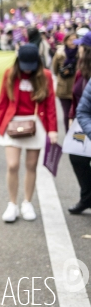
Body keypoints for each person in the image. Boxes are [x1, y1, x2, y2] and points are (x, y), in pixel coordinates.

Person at [0, 44, 58, 223]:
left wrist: (52, 129)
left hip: (36, 123)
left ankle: (27, 202)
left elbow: (50, 104)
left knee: (31, 165)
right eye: (24, 64)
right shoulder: (10, 74)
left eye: (30, 64)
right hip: (13, 122)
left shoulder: (45, 76)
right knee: (12, 165)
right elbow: (3, 101)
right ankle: (12, 204)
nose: (27, 68)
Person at [68, 32, 91, 214]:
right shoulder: (80, 71)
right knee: (76, 157)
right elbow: (76, 100)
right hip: (82, 123)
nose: (78, 48)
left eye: (81, 46)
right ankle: (86, 197)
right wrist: (71, 118)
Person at [52, 32, 78, 131]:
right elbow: (55, 69)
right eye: (70, 40)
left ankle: (77, 136)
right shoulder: (60, 54)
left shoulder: (81, 53)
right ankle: (68, 134)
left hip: (77, 88)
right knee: (67, 114)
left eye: (74, 40)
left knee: (77, 114)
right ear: (66, 41)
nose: (72, 42)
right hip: (64, 88)